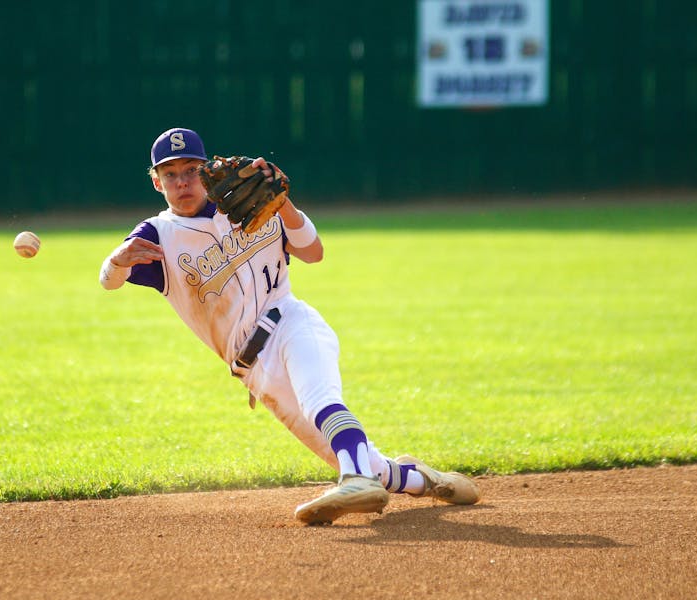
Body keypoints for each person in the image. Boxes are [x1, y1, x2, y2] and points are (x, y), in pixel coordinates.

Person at [99, 127, 480, 524]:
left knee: (321, 402)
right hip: (255, 372)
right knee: (365, 461)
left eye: (191, 170)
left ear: (207, 169)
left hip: (291, 323)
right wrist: (120, 259)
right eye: (171, 173)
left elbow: (313, 252)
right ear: (157, 181)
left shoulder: (249, 204)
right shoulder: (157, 235)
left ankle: (354, 478)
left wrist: (284, 205)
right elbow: (108, 280)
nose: (182, 182)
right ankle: (425, 480)